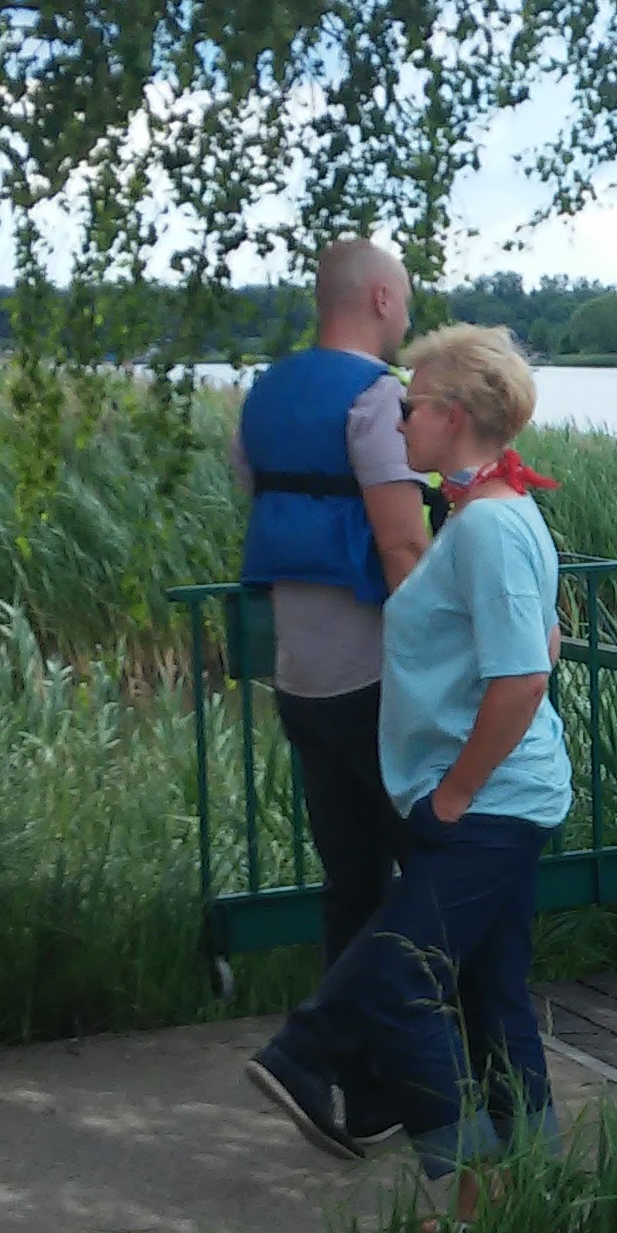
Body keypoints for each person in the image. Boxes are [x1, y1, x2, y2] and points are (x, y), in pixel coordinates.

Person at [246, 325, 568, 1208]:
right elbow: (541, 639)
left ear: (452, 415)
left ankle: (467, 1185)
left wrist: (455, 792)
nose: (398, 424)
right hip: (491, 792)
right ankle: (532, 1185)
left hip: (491, 801)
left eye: (409, 407)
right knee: (492, 993)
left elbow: (526, 675)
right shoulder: (483, 512)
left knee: (403, 980)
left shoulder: (489, 523)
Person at [234, 239, 431, 966]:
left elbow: (261, 495)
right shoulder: (378, 398)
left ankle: (344, 1027)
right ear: (381, 298)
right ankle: (432, 1023)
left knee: (350, 881)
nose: (406, 315)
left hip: (299, 677)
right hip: (373, 677)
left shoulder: (265, 392)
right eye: (404, 299)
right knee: (432, 872)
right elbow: (402, 545)